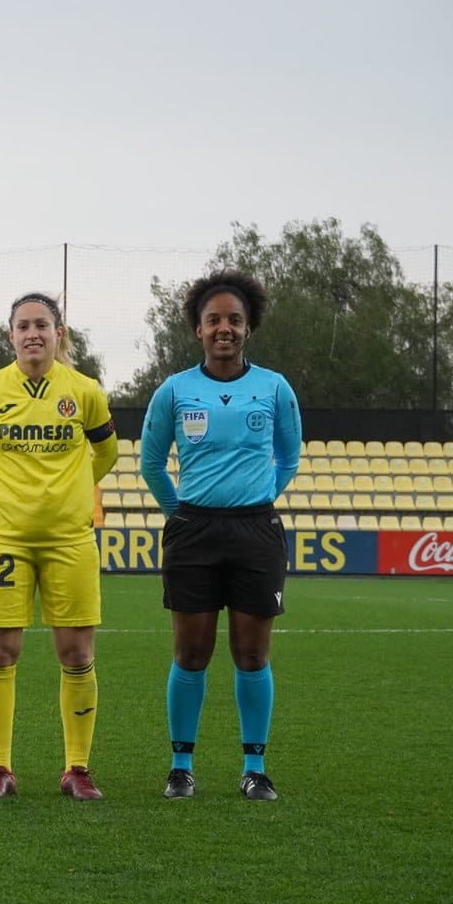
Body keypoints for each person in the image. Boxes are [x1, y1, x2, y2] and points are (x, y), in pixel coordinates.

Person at [140, 270, 302, 801]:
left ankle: (254, 768)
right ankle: (180, 766)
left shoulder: (275, 388)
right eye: (214, 320)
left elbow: (288, 456)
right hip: (193, 533)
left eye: (234, 319)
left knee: (252, 655)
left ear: (248, 326)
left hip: (256, 532)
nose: (224, 328)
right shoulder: (175, 390)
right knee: (191, 653)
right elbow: (150, 463)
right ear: (198, 330)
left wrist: (259, 500)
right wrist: (180, 513)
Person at [0, 292, 118, 801]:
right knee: (0, 653)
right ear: (11, 336)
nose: (32, 334)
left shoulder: (84, 391)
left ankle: (78, 769)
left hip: (70, 541)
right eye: (23, 326)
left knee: (76, 652)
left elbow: (106, 451)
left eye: (42, 325)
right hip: (5, 539)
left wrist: (72, 493)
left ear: (58, 333)